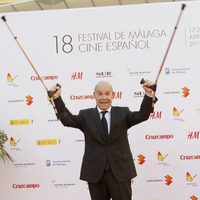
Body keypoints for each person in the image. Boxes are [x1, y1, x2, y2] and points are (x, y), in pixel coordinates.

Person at [50, 80, 157, 200]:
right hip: (95, 174)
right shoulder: (86, 115)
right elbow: (67, 120)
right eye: (100, 94)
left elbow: (142, 115)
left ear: (113, 95)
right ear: (94, 95)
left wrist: (148, 94)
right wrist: (57, 98)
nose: (104, 97)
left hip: (121, 172)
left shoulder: (123, 113)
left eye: (107, 93)